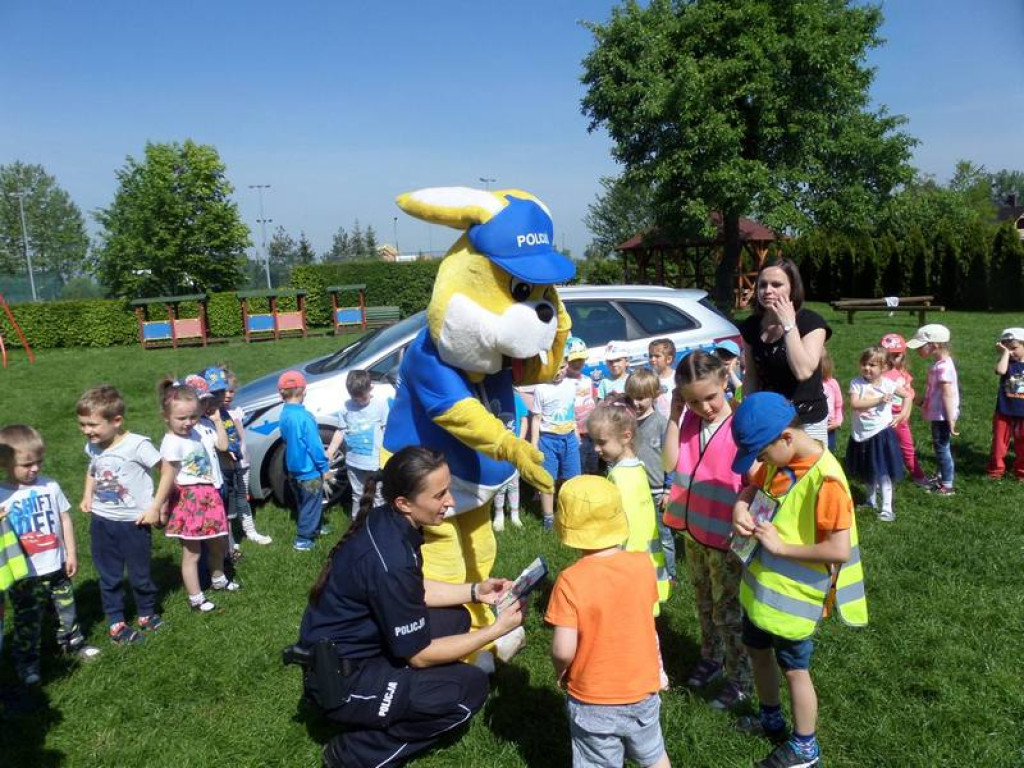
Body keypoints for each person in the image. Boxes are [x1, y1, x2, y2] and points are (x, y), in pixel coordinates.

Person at [299, 446, 526, 768]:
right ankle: (355, 753)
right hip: (342, 683)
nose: (450, 501)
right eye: (439, 495)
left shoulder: (391, 523)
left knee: (455, 618)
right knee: (470, 689)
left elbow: (414, 589)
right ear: (404, 502)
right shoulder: (390, 558)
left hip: (360, 652)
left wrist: (476, 591)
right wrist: (496, 630)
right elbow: (420, 656)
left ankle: (406, 693)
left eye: (448, 489)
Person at [731, 392, 867, 768]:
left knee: (794, 669)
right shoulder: (781, 459)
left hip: (793, 601)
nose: (760, 462)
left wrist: (782, 547)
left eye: (762, 454)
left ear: (786, 438)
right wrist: (740, 506)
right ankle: (770, 718)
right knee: (758, 653)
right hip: (759, 593)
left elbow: (838, 549)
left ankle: (805, 748)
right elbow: (752, 485)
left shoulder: (827, 481)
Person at [545, 475, 671, 768]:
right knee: (653, 754)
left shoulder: (569, 581)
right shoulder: (643, 565)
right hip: (642, 688)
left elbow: (562, 649)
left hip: (593, 697)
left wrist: (561, 671)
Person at [662, 351, 752, 711]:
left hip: (728, 539)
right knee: (703, 601)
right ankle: (712, 657)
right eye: (693, 401)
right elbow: (669, 462)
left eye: (711, 397)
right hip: (695, 532)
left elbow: (755, 481)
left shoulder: (741, 425)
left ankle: (741, 678)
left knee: (728, 610)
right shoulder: (688, 419)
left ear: (725, 381)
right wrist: (674, 415)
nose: (705, 408)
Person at [1, 424, 100, 685]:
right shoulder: (1, 496)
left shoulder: (50, 485)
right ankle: (27, 663)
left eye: (39, 462)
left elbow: (64, 519)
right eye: (27, 464)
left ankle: (73, 643)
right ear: (4, 463)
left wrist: (71, 553)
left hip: (56, 565)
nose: (35, 468)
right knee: (28, 621)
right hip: (24, 574)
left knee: (67, 610)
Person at [76, 386, 162, 645]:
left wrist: (158, 506)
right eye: (82, 424)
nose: (86, 430)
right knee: (109, 575)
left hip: (133, 522)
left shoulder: (138, 445)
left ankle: (146, 613)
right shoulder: (94, 446)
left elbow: (167, 469)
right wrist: (87, 495)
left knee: (140, 574)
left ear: (116, 421)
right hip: (101, 521)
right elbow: (92, 470)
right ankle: (116, 623)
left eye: (92, 425)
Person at [144, 379, 238, 613]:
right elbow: (168, 477)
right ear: (166, 417)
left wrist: (217, 421)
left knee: (218, 542)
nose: (188, 422)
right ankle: (196, 597)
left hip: (210, 496)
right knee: (192, 553)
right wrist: (161, 506)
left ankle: (218, 579)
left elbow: (222, 446)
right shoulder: (171, 442)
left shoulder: (197, 432)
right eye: (181, 418)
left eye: (193, 417)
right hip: (189, 501)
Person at [587, 397, 670, 608]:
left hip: (629, 560)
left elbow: (625, 522)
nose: (596, 449)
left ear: (626, 436)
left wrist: (614, 558)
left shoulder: (620, 477)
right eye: (593, 442)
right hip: (645, 560)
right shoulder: (638, 467)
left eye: (601, 442)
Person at [738, 260, 832, 444]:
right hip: (769, 418)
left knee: (809, 464)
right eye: (763, 285)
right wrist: (747, 410)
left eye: (776, 284)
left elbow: (803, 371)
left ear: (792, 288)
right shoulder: (751, 326)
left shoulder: (811, 323)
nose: (768, 290)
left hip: (806, 420)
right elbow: (751, 376)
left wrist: (789, 326)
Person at [626, 369, 676, 584]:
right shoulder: (628, 423)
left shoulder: (661, 424)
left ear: (654, 395)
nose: (635, 403)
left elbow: (671, 459)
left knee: (663, 535)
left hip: (657, 492)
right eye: (632, 397)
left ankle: (670, 574)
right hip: (635, 490)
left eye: (640, 398)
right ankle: (644, 572)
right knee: (638, 532)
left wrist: (668, 490)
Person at [845, 346, 907, 522]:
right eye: (864, 364)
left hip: (880, 433)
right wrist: (879, 400)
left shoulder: (888, 384)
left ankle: (887, 508)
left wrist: (902, 414)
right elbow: (855, 404)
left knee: (883, 470)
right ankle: (870, 501)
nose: (867, 368)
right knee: (868, 468)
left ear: (884, 367)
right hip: (861, 434)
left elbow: (907, 395)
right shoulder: (857, 383)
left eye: (872, 365)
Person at [278, 370, 332, 550]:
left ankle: (315, 527)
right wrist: (324, 467)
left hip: (293, 469)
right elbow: (314, 446)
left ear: (281, 394)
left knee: (304, 501)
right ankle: (303, 539)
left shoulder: (284, 414)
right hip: (309, 471)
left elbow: (285, 438)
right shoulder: (305, 417)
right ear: (304, 391)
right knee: (312, 503)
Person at [326, 369, 390, 519]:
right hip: (353, 463)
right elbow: (340, 431)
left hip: (374, 463)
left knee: (378, 495)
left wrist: (387, 457)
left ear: (370, 388)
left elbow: (387, 430)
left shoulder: (380, 405)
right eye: (355, 399)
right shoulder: (346, 407)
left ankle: (378, 523)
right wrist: (330, 451)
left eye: (363, 398)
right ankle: (358, 523)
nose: (360, 402)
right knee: (357, 493)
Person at [907, 324, 959, 495]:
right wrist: (922, 401)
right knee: (940, 446)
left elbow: (948, 394)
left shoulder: (943, 367)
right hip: (940, 413)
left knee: (942, 448)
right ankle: (941, 476)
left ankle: (947, 485)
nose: (917, 350)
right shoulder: (941, 364)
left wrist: (951, 418)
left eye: (920, 346)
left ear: (935, 345)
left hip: (942, 415)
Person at [222, 368, 272, 544]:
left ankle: (250, 531)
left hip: (243, 462)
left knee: (243, 498)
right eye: (224, 391)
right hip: (226, 466)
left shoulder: (236, 411)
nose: (228, 395)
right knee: (226, 504)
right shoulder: (214, 416)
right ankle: (229, 541)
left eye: (231, 391)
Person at [531, 357, 581, 530]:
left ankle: (572, 512)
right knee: (547, 480)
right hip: (548, 440)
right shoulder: (541, 389)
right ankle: (548, 518)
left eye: (562, 367)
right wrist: (534, 442)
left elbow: (571, 411)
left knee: (573, 478)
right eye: (554, 368)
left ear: (567, 365)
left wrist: (575, 431)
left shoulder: (571, 385)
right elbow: (536, 418)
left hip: (569, 438)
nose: (558, 372)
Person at [878, 335, 927, 485]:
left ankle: (917, 475)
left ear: (903, 355)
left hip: (901, 417)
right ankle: (882, 477)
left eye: (896, 356)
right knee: (884, 447)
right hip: (885, 416)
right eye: (889, 356)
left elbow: (909, 392)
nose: (892, 360)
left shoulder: (903, 374)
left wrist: (922, 402)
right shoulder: (879, 374)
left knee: (906, 447)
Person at [987, 327, 1024, 481]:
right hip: (1004, 410)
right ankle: (996, 470)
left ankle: (1021, 471)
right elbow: (1001, 371)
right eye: (1007, 348)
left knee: (1022, 443)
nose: (1011, 352)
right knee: (999, 443)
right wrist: (1005, 354)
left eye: (1014, 348)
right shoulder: (1007, 362)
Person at [492, 388, 529, 531]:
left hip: (514, 450)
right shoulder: (492, 399)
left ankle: (515, 514)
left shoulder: (516, 398)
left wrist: (520, 440)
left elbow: (524, 419)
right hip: (498, 451)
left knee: (514, 484)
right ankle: (499, 513)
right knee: (500, 485)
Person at [565, 336, 599, 475]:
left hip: (591, 432)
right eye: (573, 360)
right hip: (575, 435)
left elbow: (594, 400)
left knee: (593, 465)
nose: (577, 363)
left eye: (581, 359)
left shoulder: (587, 380)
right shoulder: (563, 383)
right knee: (580, 467)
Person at [820, 349, 843, 453]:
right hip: (813, 425)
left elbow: (838, 405)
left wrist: (838, 422)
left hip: (830, 425)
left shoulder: (832, 383)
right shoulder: (806, 384)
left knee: (829, 450)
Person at [648, 338, 677, 419]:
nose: (652, 359)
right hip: (659, 422)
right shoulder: (650, 379)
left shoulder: (677, 377)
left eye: (657, 356)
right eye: (650, 356)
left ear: (669, 359)